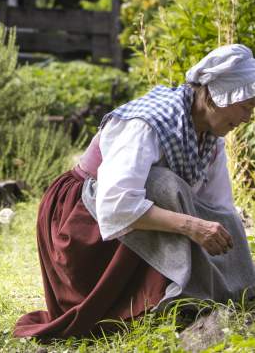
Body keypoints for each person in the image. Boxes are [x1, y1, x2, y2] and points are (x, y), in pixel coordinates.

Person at [15, 43, 255, 342]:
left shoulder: (209, 138)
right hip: (79, 220)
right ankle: (157, 298)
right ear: (216, 97)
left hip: (121, 219)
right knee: (164, 185)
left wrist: (241, 275)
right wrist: (192, 226)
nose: (248, 117)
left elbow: (219, 209)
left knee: (182, 199)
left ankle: (218, 296)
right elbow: (115, 204)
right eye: (246, 106)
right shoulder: (148, 123)